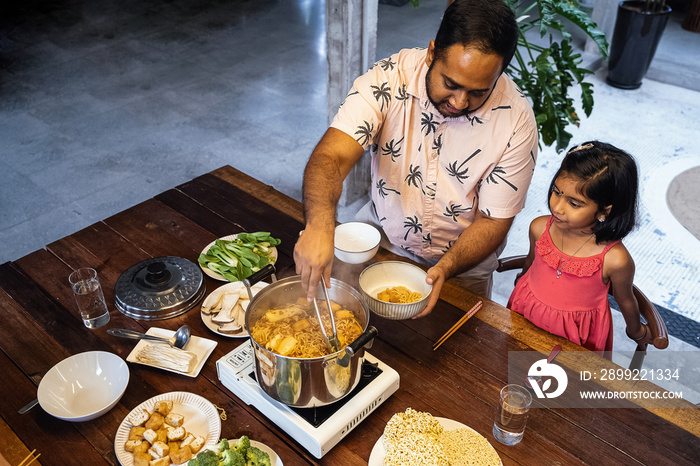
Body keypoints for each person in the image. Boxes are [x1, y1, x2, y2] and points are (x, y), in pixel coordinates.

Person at [294, 0, 538, 317]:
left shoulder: (516, 121)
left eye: (479, 92)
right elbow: (332, 156)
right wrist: (319, 224)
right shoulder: (388, 79)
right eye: (451, 84)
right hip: (383, 238)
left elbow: (493, 221)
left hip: (464, 265)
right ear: (432, 52)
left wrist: (446, 267)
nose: (460, 102)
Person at [507, 141, 652, 356]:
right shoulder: (539, 228)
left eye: (574, 204)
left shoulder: (614, 260)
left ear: (605, 211)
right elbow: (530, 264)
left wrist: (638, 332)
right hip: (524, 314)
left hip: (576, 340)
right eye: (557, 192)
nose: (557, 207)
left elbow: (626, 300)